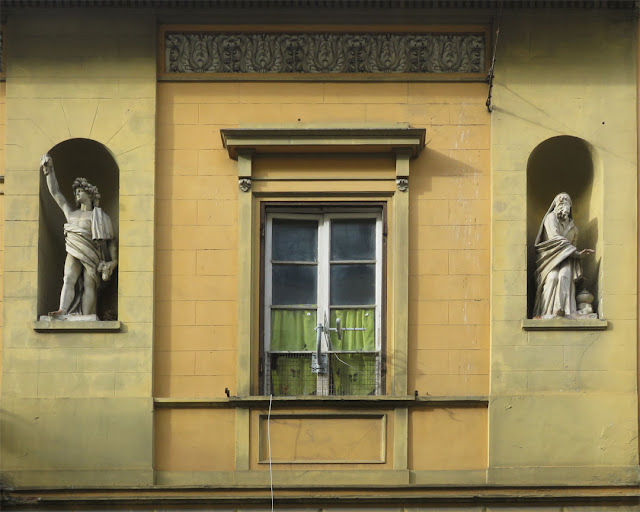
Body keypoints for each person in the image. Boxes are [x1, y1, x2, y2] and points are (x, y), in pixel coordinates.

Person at [40, 154, 117, 317]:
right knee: (68, 277)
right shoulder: (72, 214)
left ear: (90, 194)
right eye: (75, 192)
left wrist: (113, 262)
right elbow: (56, 193)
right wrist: (49, 171)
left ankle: (87, 316)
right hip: (74, 249)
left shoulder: (100, 217)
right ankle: (63, 310)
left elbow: (111, 242)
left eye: (80, 191)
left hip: (92, 253)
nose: (76, 194)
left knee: (90, 284)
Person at [533, 192, 594, 319]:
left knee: (564, 276)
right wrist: (576, 253)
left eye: (566, 200)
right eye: (560, 200)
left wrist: (577, 254)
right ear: (555, 204)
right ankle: (546, 312)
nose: (563, 202)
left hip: (566, 259)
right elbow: (555, 239)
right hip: (549, 258)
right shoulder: (550, 218)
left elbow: (572, 245)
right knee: (552, 278)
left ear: (570, 206)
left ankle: (564, 311)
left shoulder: (574, 229)